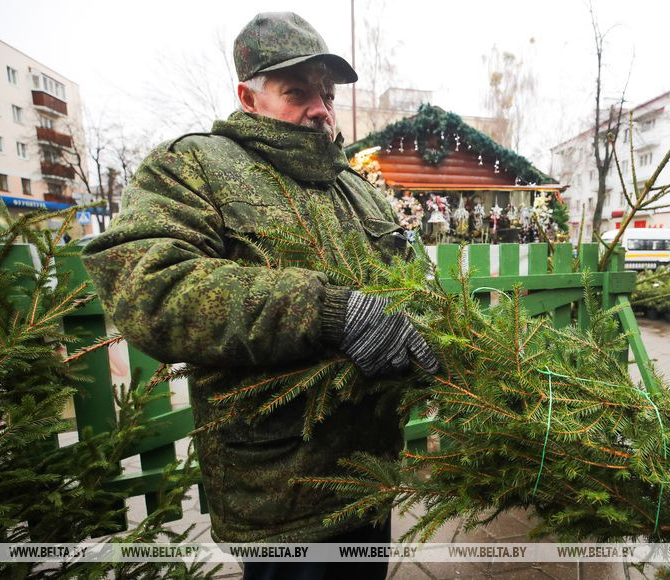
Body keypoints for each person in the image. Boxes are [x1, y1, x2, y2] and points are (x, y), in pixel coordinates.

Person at [82, 12, 437, 580]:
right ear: (249, 97)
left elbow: (407, 284)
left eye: (324, 93)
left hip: (369, 479)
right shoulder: (193, 166)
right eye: (297, 92)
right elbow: (151, 288)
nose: (319, 108)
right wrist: (327, 312)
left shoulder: (354, 187)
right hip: (282, 495)